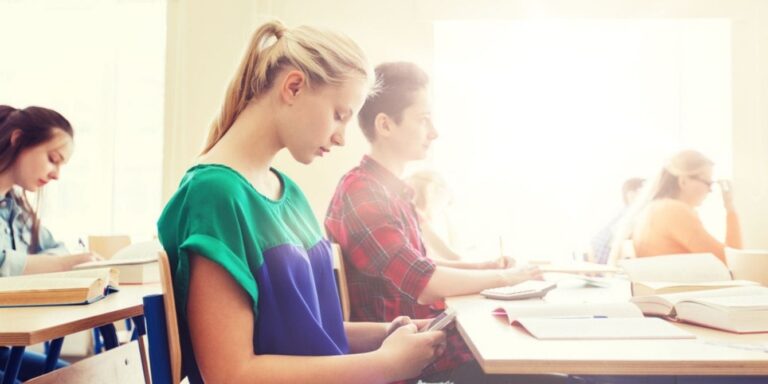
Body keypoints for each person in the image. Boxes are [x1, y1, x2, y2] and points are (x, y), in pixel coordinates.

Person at [156, 21, 445, 384]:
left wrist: (388, 333)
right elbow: (230, 374)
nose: (341, 138)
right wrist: (384, 364)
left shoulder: (289, 193)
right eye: (339, 115)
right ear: (293, 87)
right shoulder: (214, 196)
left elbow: (311, 332)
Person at [325, 62, 554, 383]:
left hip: (434, 347)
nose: (434, 132)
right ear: (385, 125)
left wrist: (485, 267)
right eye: (423, 119)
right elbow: (423, 282)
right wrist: (506, 277)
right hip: (421, 362)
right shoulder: (363, 192)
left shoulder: (390, 192)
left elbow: (419, 264)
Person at [0, 105, 100, 383]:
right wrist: (63, 263)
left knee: (75, 377)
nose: (56, 174)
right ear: (18, 139)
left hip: (3, 349)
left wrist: (55, 261)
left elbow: (57, 248)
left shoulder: (15, 210)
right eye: (52, 159)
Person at [610, 150, 741, 264]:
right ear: (683, 181)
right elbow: (732, 261)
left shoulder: (652, 209)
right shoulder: (674, 211)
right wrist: (730, 209)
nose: (710, 190)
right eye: (708, 182)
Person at [406, 169, 514, 268]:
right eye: (444, 201)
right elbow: (452, 256)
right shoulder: (417, 216)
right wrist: (489, 264)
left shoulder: (410, 214)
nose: (442, 208)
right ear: (433, 192)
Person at [590, 178, 644, 264]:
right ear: (631, 195)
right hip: (601, 263)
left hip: (596, 258)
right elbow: (617, 245)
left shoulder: (624, 213)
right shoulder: (631, 215)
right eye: (644, 192)